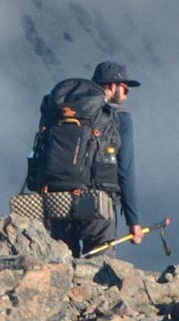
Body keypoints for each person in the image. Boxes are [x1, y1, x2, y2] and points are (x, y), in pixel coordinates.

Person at [36, 62, 145, 257]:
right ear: (112, 86)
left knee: (62, 263)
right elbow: (125, 171)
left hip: (56, 200)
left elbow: (41, 157)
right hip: (97, 205)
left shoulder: (58, 113)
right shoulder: (119, 120)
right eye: (125, 89)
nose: (127, 94)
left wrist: (44, 205)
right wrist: (133, 221)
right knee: (96, 271)